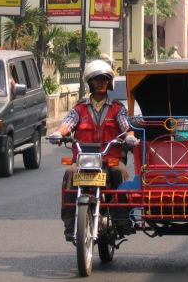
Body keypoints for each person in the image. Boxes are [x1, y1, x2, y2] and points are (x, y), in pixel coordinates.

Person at [53, 59, 138, 241]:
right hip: (84, 161)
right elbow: (67, 125)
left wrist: (129, 136)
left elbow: (125, 127)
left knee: (121, 172)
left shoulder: (117, 109)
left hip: (109, 159)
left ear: (109, 82)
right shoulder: (79, 109)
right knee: (69, 173)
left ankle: (122, 218)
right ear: (89, 83)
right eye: (96, 79)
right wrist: (58, 134)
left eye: (103, 79)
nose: (100, 83)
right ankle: (70, 224)